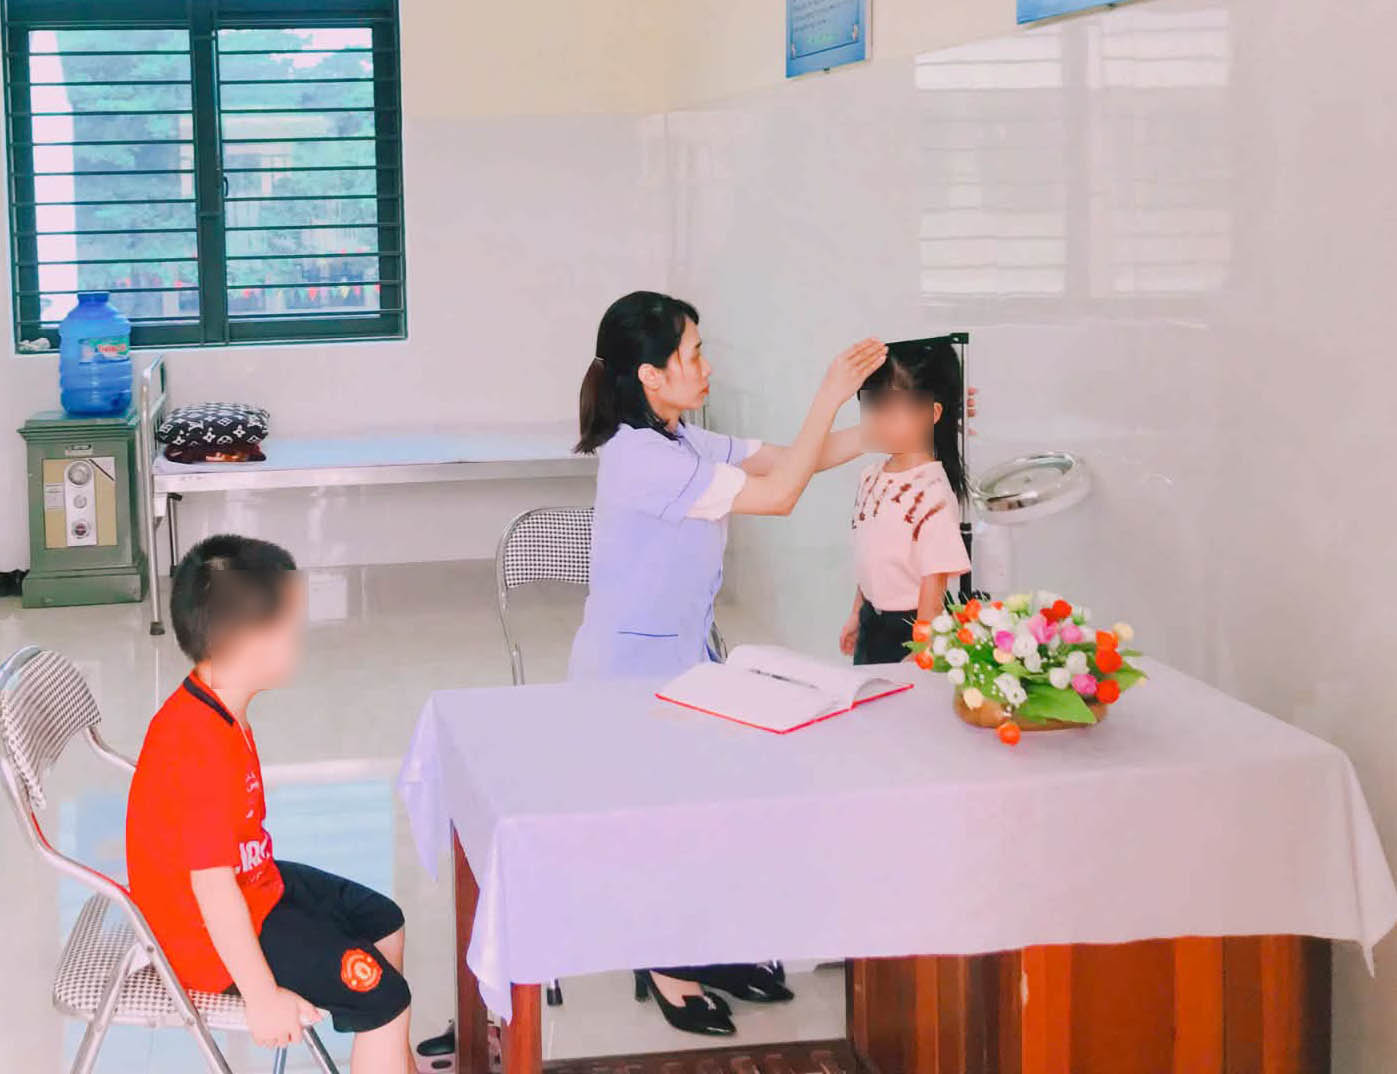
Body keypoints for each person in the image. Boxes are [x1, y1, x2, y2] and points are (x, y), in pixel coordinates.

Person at [569, 291, 886, 1035]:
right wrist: (826, 394)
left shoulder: (680, 437)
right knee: (660, 824)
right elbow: (777, 497)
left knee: (712, 810)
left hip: (684, 659)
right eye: (694, 354)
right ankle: (665, 966)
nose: (706, 367)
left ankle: (706, 945)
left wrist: (878, 427)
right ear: (650, 373)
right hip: (629, 674)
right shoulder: (638, 458)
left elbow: (786, 458)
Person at [126, 535, 413, 1074]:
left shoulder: (216, 706)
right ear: (252, 643)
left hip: (252, 885)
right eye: (292, 631)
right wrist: (261, 998)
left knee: (383, 921)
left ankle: (382, 1056)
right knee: (385, 1000)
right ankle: (379, 1026)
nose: (301, 642)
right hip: (208, 940)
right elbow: (211, 889)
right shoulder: (200, 747)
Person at [838, 338, 971, 666]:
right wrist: (857, 614)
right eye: (873, 408)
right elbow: (872, 557)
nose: (878, 420)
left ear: (932, 413)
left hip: (911, 631)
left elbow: (934, 586)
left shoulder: (934, 494)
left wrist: (920, 653)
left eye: (890, 410)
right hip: (873, 621)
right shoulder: (870, 475)